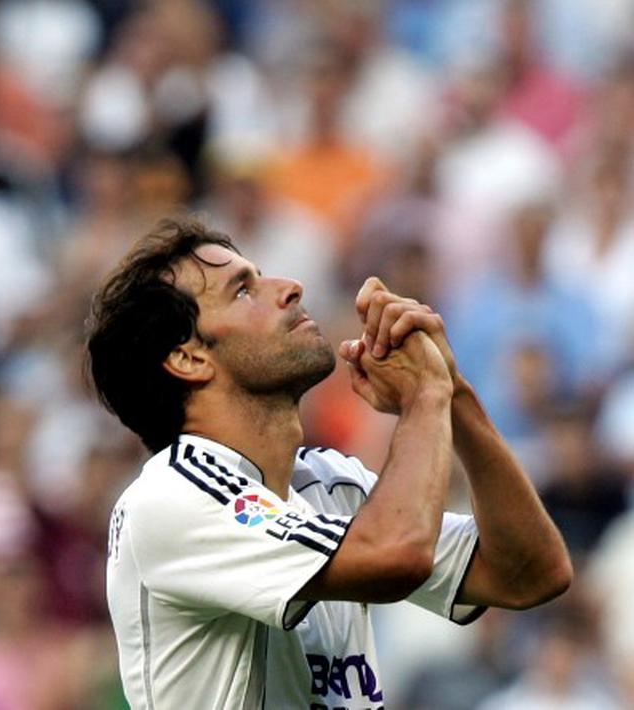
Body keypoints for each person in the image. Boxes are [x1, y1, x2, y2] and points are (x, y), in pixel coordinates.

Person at [85, 218, 572, 708]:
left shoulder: (328, 484)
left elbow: (530, 573)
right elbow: (397, 554)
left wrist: (454, 393)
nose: (290, 287)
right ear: (189, 359)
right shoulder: (173, 496)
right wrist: (425, 395)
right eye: (242, 291)